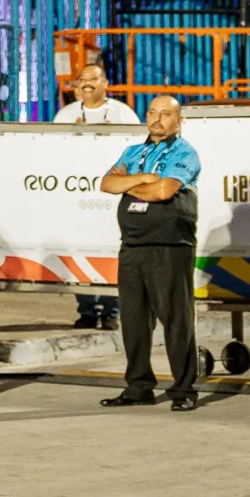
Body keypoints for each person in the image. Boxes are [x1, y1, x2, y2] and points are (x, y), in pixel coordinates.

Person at [99, 96, 204, 412]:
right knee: (133, 322)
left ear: (178, 120)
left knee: (176, 321)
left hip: (169, 248)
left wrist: (127, 184)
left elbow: (165, 191)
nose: (158, 120)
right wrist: (144, 179)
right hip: (132, 247)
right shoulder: (133, 152)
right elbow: (106, 184)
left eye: (166, 114)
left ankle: (183, 390)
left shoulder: (185, 153)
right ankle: (138, 387)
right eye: (153, 113)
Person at [53, 64, 141, 126]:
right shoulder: (65, 114)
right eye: (82, 79)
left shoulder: (122, 111)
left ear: (105, 83)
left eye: (93, 79)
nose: (87, 82)